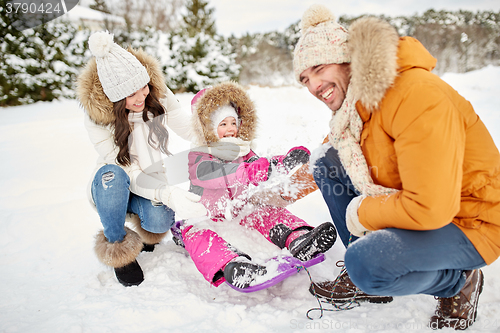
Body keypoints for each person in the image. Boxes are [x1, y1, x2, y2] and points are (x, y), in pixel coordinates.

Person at [292, 4, 500, 330]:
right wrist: (271, 195)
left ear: (347, 59)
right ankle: (371, 265)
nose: (313, 85)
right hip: (421, 205)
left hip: (471, 220)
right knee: (325, 160)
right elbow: (330, 160)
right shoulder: (355, 108)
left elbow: (430, 208)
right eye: (305, 78)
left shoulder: (415, 95)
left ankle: (458, 282)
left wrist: (360, 213)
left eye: (319, 68)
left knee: (365, 263)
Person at [174, 81, 337, 289]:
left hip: (239, 211)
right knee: (200, 238)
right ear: (208, 129)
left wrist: (284, 163)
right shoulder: (199, 156)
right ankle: (234, 265)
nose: (230, 129)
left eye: (233, 123)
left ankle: (299, 238)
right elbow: (214, 175)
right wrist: (248, 172)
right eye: (222, 125)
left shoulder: (243, 150)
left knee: (267, 212)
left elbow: (261, 167)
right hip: (205, 216)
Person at [76, 31, 207, 287]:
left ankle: (144, 228)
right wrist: (168, 194)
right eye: (130, 93)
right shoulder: (98, 119)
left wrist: (220, 135)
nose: (141, 97)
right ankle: (118, 248)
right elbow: (127, 168)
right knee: (113, 177)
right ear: (115, 97)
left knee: (160, 222)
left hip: (150, 178)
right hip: (113, 183)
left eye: (143, 87)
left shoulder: (155, 94)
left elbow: (187, 126)